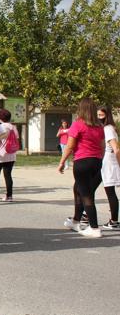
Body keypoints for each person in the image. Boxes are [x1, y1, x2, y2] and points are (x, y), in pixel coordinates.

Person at [59, 98, 105, 238]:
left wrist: (62, 162)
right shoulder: (99, 126)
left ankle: (94, 227)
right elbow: (102, 147)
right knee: (78, 189)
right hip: (96, 161)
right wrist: (98, 160)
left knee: (86, 194)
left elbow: (70, 146)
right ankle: (75, 221)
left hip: (82, 162)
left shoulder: (78, 125)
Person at [97, 107, 120, 230]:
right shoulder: (106, 128)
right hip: (105, 161)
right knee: (91, 187)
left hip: (109, 163)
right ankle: (85, 214)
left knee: (110, 192)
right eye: (98, 115)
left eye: (101, 115)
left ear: (107, 115)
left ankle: (114, 221)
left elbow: (116, 149)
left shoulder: (108, 129)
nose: (99, 117)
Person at [0, 109, 19, 202]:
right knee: (8, 176)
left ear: (0, 118)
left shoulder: (0, 127)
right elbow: (16, 138)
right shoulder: (13, 127)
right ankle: (9, 196)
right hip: (11, 154)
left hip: (0, 155)